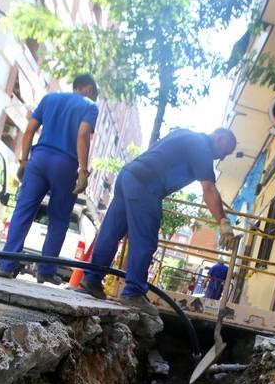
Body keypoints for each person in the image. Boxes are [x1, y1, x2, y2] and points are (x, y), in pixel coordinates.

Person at [77, 127, 237, 312]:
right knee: (144, 239)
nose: (222, 157)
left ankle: (91, 280)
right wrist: (223, 222)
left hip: (129, 175)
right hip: (147, 184)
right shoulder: (203, 147)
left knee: (111, 232)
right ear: (218, 137)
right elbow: (208, 189)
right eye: (225, 150)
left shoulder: (185, 134)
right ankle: (133, 293)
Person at [0, 73, 99, 285]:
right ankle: (45, 270)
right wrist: (83, 170)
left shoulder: (49, 98)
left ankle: (6, 266)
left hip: (39, 159)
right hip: (65, 164)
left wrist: (24, 160)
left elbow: (29, 130)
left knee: (23, 211)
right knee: (59, 218)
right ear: (89, 89)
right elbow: (82, 135)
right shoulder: (90, 106)